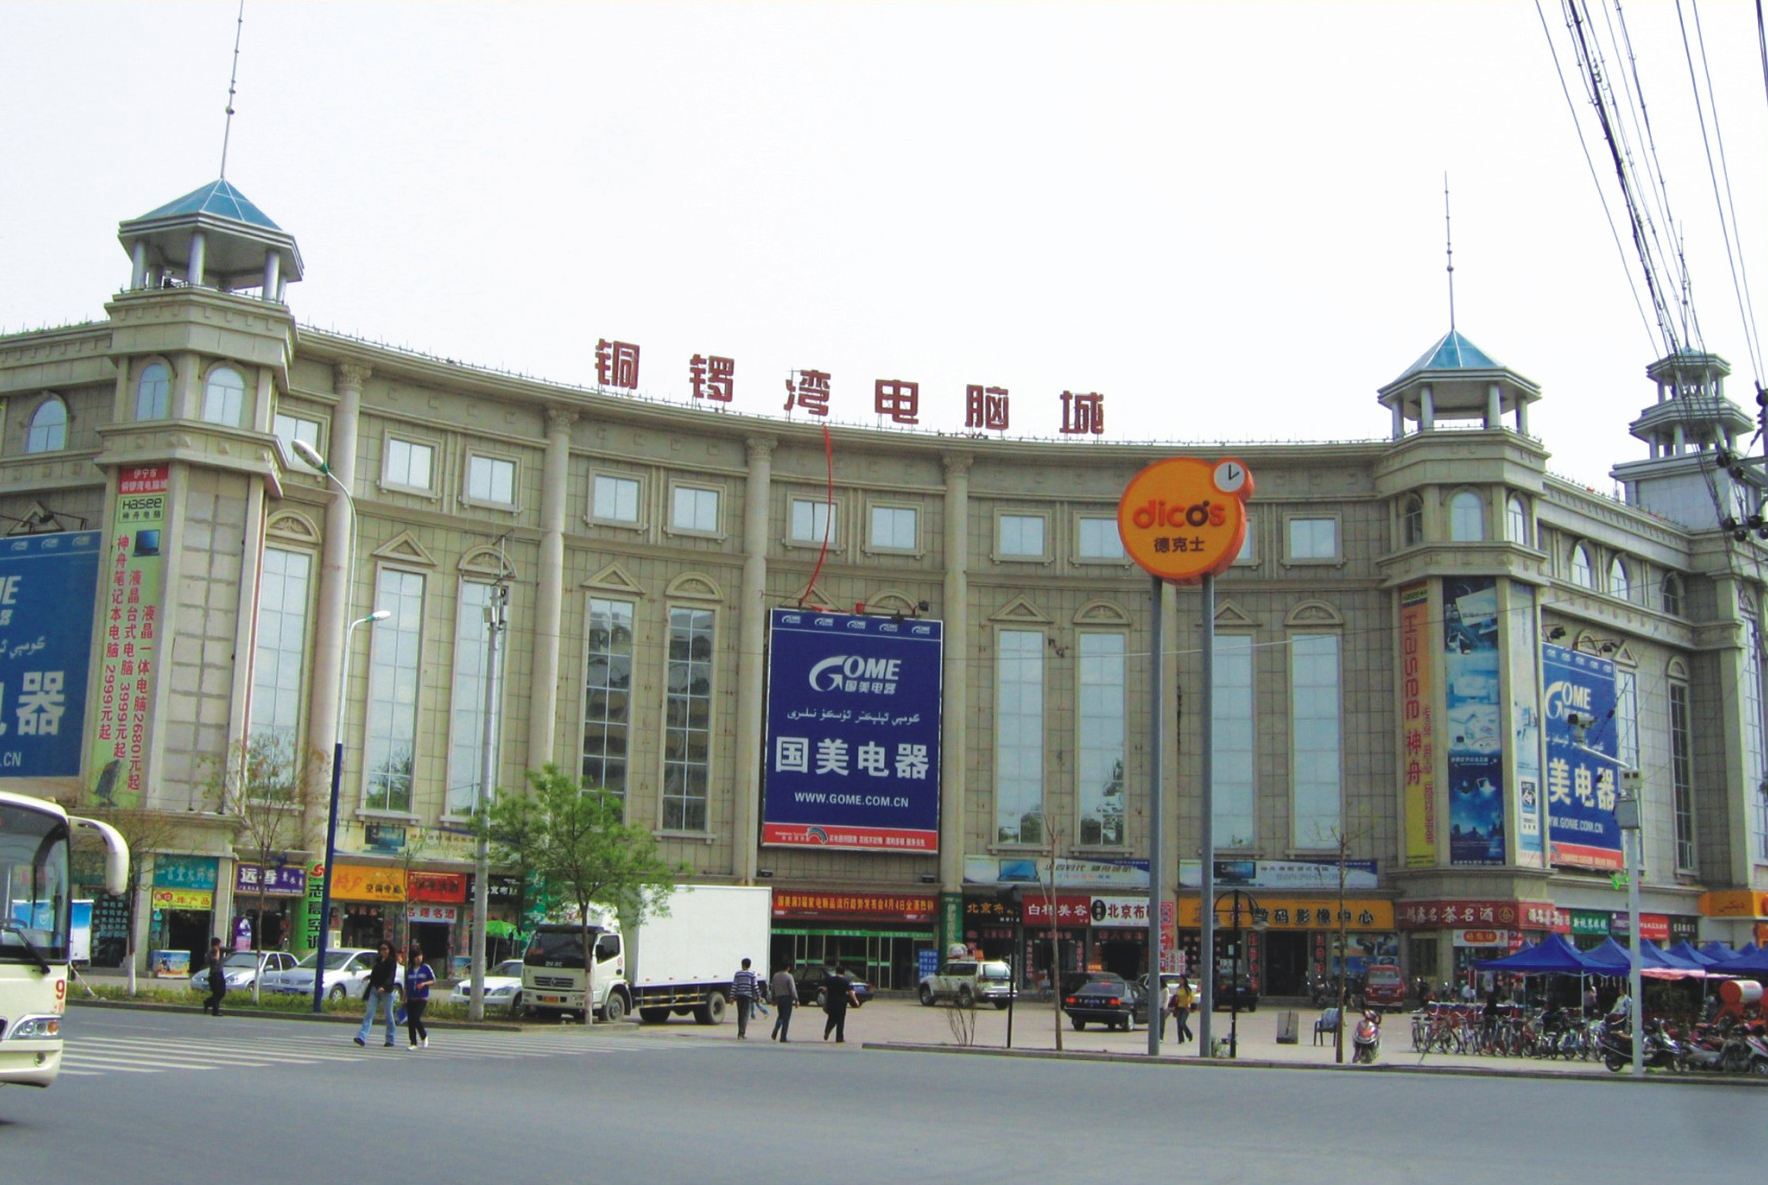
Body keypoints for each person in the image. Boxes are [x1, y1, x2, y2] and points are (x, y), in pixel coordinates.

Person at [354, 940, 400, 1047]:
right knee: (369, 1014)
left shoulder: (392, 962)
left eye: (385, 949)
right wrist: (368, 977)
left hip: (386, 992)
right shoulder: (379, 960)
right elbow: (375, 974)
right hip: (374, 990)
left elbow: (390, 977)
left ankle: (390, 1039)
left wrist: (384, 987)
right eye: (381, 949)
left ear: (389, 950)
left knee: (389, 1016)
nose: (383, 951)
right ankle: (362, 1037)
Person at [403, 945, 434, 1049]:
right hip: (411, 998)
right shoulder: (409, 970)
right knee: (410, 1021)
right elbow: (406, 985)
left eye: (419, 956)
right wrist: (404, 998)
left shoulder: (426, 968)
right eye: (416, 957)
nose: (418, 958)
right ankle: (413, 1042)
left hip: (422, 998)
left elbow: (433, 981)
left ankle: (424, 1036)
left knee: (416, 1018)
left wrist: (424, 984)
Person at [822, 964, 858, 1043]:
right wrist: (856, 1001)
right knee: (840, 1020)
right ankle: (839, 1037)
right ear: (844, 972)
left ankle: (827, 1030)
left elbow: (824, 989)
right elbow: (851, 992)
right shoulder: (846, 981)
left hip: (831, 1001)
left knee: (831, 1017)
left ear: (836, 971)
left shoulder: (830, 980)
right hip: (841, 1002)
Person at [731, 957, 758, 1040]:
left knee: (740, 1014)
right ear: (749, 965)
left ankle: (740, 1032)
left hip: (739, 996)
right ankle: (742, 1033)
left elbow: (734, 985)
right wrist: (758, 995)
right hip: (747, 997)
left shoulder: (738, 974)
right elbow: (755, 986)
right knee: (745, 1015)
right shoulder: (752, 974)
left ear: (742, 964)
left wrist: (732, 996)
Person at [769, 964, 797, 1042]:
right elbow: (792, 989)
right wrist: (796, 999)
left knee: (780, 1016)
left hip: (778, 997)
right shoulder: (789, 976)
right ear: (788, 968)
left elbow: (773, 987)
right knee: (786, 1018)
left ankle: (776, 1029)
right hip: (787, 998)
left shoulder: (775, 976)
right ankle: (783, 1037)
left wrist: (773, 998)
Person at [203, 937, 227, 1016]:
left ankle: (208, 1002)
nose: (219, 946)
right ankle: (215, 1011)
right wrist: (217, 952)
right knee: (217, 992)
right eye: (218, 945)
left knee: (222, 992)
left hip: (220, 973)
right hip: (214, 974)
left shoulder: (221, 949)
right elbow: (216, 960)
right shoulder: (209, 953)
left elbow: (230, 949)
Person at [1171, 976, 1195, 1045]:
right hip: (1179, 1007)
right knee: (1179, 1024)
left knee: (1182, 1023)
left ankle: (1189, 1034)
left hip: (1185, 1008)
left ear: (1184, 980)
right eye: (1179, 979)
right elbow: (1176, 997)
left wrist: (1188, 1004)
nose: (1180, 981)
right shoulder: (1178, 989)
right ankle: (1181, 1039)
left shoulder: (1187, 989)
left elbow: (1191, 997)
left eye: (1181, 979)